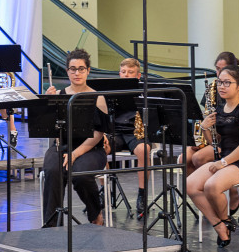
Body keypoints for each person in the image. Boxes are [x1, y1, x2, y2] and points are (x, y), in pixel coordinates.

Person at [187, 65, 239, 248]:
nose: (222, 86)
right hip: (225, 159)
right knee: (190, 185)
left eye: (227, 83)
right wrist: (205, 128)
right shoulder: (220, 108)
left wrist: (223, 162)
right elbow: (215, 142)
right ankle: (220, 224)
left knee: (212, 186)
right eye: (220, 82)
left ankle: (226, 220)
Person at [41, 48, 109, 227]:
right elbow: (49, 129)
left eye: (81, 69)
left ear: (88, 71)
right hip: (62, 146)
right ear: (67, 71)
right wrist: (48, 104)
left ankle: (95, 214)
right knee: (53, 171)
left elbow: (97, 135)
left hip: (90, 149)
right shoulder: (59, 96)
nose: (77, 73)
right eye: (73, 69)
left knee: (80, 174)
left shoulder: (98, 97)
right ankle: (51, 225)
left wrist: (75, 154)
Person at [109, 58, 154, 218]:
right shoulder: (111, 90)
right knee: (99, 146)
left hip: (136, 131)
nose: (126, 75)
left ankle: (142, 194)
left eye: (130, 72)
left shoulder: (145, 90)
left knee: (144, 150)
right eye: (123, 72)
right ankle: (104, 192)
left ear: (138, 75)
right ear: (119, 73)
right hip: (116, 131)